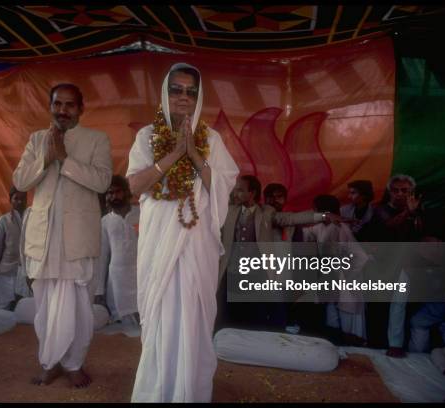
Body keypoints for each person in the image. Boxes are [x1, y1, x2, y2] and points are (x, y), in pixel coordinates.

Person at [127, 63, 239, 402]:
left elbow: (223, 186)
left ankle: (189, 393)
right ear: (165, 92)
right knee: (160, 315)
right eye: (176, 89)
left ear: (199, 96)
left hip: (196, 241)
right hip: (158, 241)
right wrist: (174, 153)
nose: (184, 97)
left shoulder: (212, 139)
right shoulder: (147, 136)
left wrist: (193, 154)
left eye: (191, 91)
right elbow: (135, 184)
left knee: (194, 317)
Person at [13, 83, 112, 388]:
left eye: (70, 105)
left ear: (81, 109)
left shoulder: (97, 140)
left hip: (77, 237)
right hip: (43, 238)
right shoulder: (36, 140)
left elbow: (103, 181)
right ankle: (50, 360)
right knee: (44, 305)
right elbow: (20, 181)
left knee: (79, 306)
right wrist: (46, 157)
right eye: (57, 104)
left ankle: (74, 364)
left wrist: (65, 159)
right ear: (50, 106)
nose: (63, 111)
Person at [217, 175, 340, 330]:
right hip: (230, 272)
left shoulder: (266, 212)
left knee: (254, 318)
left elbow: (291, 218)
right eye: (235, 190)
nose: (235, 194)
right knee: (227, 317)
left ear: (252, 193)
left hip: (256, 274)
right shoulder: (228, 210)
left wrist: (323, 216)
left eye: (240, 190)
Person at [367, 174, 424, 358]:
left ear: (411, 193)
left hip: (407, 265)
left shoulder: (418, 211)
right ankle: (376, 345)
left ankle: (396, 345)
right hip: (383, 265)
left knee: (400, 305)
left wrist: (413, 214)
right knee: (379, 306)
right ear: (389, 192)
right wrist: (409, 212)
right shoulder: (380, 210)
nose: (399, 194)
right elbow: (389, 225)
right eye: (396, 190)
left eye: (404, 191)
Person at [302, 194, 368, 346]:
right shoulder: (319, 227)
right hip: (329, 281)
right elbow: (304, 233)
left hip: (345, 283)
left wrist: (345, 278)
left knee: (348, 325)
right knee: (332, 324)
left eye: (316, 209)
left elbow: (361, 257)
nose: (314, 212)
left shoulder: (342, 228)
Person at [93, 175, 140, 324]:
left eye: (116, 192)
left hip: (141, 275)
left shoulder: (142, 213)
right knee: (121, 324)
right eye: (109, 193)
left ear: (127, 192)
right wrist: (98, 291)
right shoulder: (105, 222)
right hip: (117, 281)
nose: (112, 196)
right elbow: (102, 257)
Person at [0, 186, 28, 311]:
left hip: (25, 272)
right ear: (10, 200)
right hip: (6, 272)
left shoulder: (31, 219)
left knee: (23, 308)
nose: (20, 202)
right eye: (16, 198)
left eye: (23, 198)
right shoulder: (3, 221)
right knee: (3, 307)